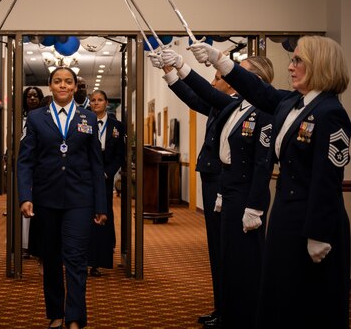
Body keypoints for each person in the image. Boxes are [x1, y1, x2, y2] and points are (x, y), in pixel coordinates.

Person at [190, 36, 351, 328]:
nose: (290, 67)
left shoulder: (330, 113)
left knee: (312, 303)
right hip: (286, 217)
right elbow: (256, 89)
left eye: (298, 60)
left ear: (320, 65)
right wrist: (220, 61)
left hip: (313, 223)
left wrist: (319, 232)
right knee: (280, 296)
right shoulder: (293, 103)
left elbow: (327, 180)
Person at [156, 49, 275, 329]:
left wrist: (255, 205)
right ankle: (227, 310)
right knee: (225, 255)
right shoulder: (237, 106)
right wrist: (175, 69)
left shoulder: (261, 109)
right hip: (227, 187)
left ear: (252, 79)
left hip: (242, 192)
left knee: (243, 260)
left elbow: (262, 163)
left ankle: (240, 314)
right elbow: (199, 95)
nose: (223, 78)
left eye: (234, 72)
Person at [149, 54, 236, 327]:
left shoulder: (234, 106)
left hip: (223, 182)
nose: (213, 82)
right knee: (216, 250)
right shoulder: (219, 105)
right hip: (212, 179)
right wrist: (168, 71)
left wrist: (180, 66)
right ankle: (221, 307)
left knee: (226, 252)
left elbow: (201, 92)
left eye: (218, 78)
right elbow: (192, 97)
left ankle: (229, 311)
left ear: (233, 85)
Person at [17, 67, 107, 329]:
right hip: (46, 199)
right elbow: (25, 162)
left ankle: (76, 317)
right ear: (50, 86)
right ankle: (56, 313)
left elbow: (96, 165)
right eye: (58, 81)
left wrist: (101, 205)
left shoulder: (88, 118)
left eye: (68, 82)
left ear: (75, 86)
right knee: (51, 258)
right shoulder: (35, 118)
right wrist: (25, 196)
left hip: (80, 198)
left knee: (77, 259)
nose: (63, 86)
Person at [87, 90, 125, 277]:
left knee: (104, 212)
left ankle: (101, 258)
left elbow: (120, 154)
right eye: (93, 100)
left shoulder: (117, 126)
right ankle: (87, 257)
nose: (96, 103)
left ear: (106, 103)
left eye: (100, 100)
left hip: (106, 175)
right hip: (86, 174)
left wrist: (107, 173)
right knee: (87, 214)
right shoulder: (83, 122)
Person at [21, 86, 44, 259]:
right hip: (26, 166)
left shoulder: (44, 118)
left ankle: (34, 245)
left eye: (36, 96)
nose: (33, 99)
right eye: (29, 96)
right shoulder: (20, 118)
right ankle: (23, 244)